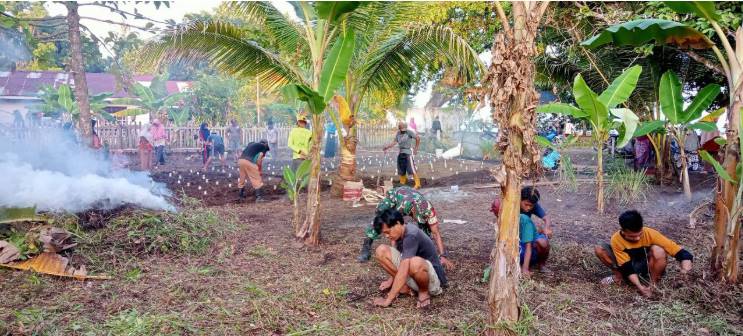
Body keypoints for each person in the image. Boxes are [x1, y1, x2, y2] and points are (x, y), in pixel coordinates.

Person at [594, 210, 693, 297]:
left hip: (647, 266)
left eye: (640, 234)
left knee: (658, 249)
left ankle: (653, 284)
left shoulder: (650, 233)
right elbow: (626, 267)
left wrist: (684, 272)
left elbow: (683, 254)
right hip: (629, 266)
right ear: (623, 231)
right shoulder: (616, 239)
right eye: (632, 236)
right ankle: (618, 276)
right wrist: (639, 287)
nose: (637, 238)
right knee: (600, 249)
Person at [357, 186, 454, 271]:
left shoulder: (429, 211)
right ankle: (366, 247)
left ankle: (419, 251)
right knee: (381, 218)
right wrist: (394, 253)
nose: (419, 220)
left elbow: (436, 233)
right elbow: (393, 228)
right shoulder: (403, 206)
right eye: (418, 218)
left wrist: (443, 256)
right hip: (396, 196)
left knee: (425, 232)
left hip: (411, 197)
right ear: (413, 211)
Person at [371, 209, 447, 309]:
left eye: (388, 232)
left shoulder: (411, 235)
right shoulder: (400, 233)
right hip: (414, 274)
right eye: (384, 233)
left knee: (414, 262)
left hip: (432, 281)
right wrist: (391, 281)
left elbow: (404, 268)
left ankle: (423, 292)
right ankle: (404, 287)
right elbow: (402, 260)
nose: (387, 236)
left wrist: (388, 300)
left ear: (397, 223)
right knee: (381, 250)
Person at [490, 186, 552, 271]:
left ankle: (541, 264)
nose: (528, 208)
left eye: (531, 206)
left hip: (527, 231)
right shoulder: (511, 204)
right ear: (519, 199)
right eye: (526, 204)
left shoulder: (531, 206)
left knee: (542, 242)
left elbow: (546, 217)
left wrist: (547, 228)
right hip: (514, 234)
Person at [384, 121, 421, 189]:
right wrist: (387, 147)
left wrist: (416, 148)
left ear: (406, 128)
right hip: (401, 153)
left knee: (411, 169)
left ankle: (418, 184)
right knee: (401, 169)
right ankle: (402, 183)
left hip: (408, 153)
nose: (403, 131)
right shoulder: (398, 133)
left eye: (404, 129)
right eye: (401, 130)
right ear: (399, 128)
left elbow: (418, 138)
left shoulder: (409, 132)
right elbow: (395, 142)